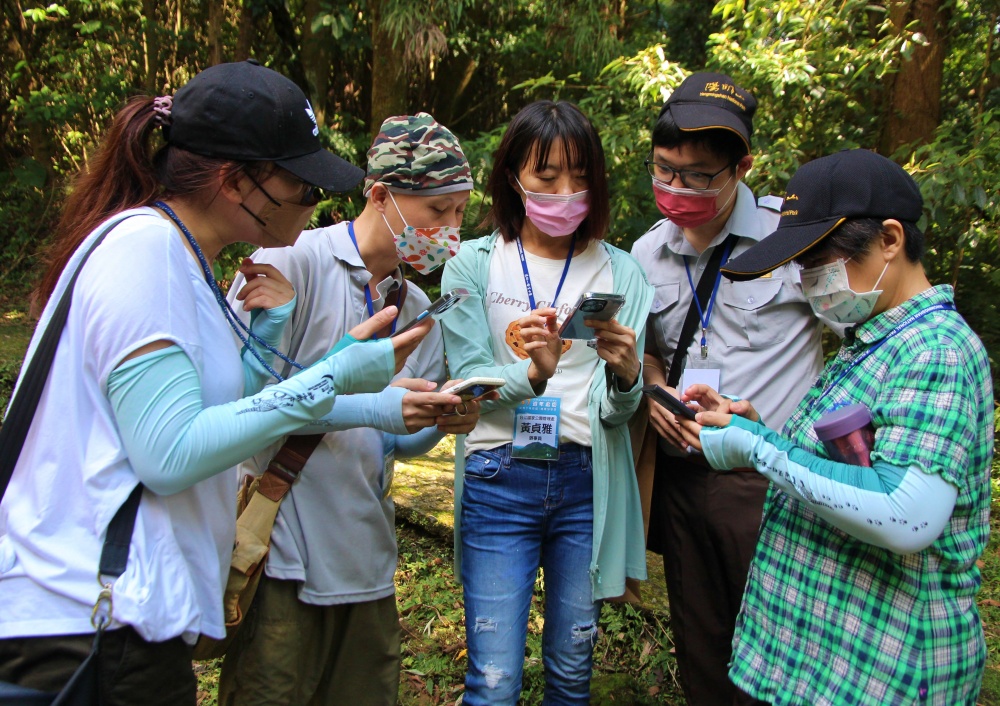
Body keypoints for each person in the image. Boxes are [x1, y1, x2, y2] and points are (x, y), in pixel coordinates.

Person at [0, 60, 430, 705]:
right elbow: (170, 455)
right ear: (237, 181)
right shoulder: (144, 252)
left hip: (125, 623)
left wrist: (266, 346)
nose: (315, 201)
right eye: (302, 184)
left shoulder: (184, 260)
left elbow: (215, 418)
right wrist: (332, 375)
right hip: (91, 623)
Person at [689, 148, 994, 705]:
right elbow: (848, 471)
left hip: (887, 671)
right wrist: (759, 426)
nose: (809, 283)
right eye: (801, 268)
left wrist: (761, 450)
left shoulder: (936, 352)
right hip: (827, 663)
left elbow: (907, 513)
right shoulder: (874, 342)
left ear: (891, 240)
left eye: (820, 262)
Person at [218, 113, 483, 706]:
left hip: (366, 562)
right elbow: (241, 408)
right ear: (381, 194)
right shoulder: (293, 263)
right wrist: (381, 406)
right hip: (286, 555)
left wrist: (440, 421)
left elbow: (395, 441)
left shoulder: (413, 302)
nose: (451, 230)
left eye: (461, 213)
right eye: (438, 211)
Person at [440, 100, 653, 705]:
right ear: (514, 176)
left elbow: (616, 413)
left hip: (588, 483)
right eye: (548, 176)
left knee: (570, 669)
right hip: (496, 476)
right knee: (493, 678)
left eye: (581, 177)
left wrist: (627, 375)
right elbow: (466, 383)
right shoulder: (472, 266)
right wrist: (532, 375)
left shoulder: (624, 275)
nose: (566, 192)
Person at [628, 72, 824, 706]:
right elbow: (650, 354)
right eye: (664, 170)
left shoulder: (792, 240)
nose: (676, 188)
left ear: (741, 167)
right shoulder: (646, 253)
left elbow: (855, 341)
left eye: (698, 176)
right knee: (703, 645)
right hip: (685, 477)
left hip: (770, 482)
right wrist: (656, 394)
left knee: (785, 648)